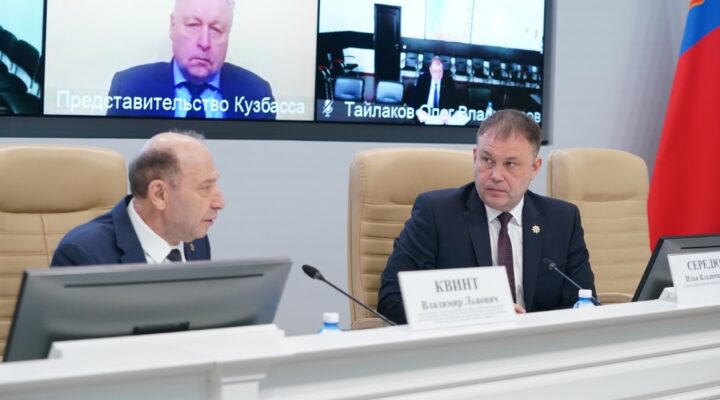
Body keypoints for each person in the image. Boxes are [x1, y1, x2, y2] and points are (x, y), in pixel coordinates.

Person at [377, 109, 595, 324]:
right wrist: (484, 313)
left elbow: (584, 303)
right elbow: (391, 300)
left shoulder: (562, 220)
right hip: (464, 342)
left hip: (539, 343)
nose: (496, 176)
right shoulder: (436, 213)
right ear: (475, 157)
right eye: (487, 160)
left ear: (534, 168)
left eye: (510, 164)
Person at [51, 131, 225, 266]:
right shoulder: (84, 254)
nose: (220, 203)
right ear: (159, 195)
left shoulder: (195, 241)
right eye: (205, 188)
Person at [106, 0, 275, 120]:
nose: (204, 42)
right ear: (172, 26)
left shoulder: (257, 94)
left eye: (216, 29)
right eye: (193, 25)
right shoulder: (129, 87)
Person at [411, 56, 460, 124]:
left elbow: (455, 103)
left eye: (440, 71)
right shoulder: (422, 79)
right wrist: (418, 111)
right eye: (435, 71)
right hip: (424, 116)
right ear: (430, 70)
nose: (437, 74)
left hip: (442, 118)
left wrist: (448, 113)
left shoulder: (449, 81)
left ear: (443, 70)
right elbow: (413, 100)